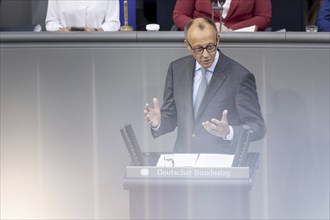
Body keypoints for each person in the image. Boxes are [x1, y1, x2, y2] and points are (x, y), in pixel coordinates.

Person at [144, 17, 266, 154]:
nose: (206, 55)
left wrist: (229, 132)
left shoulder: (240, 76)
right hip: (184, 162)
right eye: (198, 49)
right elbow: (172, 116)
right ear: (188, 45)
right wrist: (158, 123)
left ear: (217, 40)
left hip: (221, 165)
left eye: (210, 47)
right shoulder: (176, 69)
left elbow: (258, 127)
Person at [173, 0, 272, 31]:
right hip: (201, 36)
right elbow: (180, 15)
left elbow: (263, 17)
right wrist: (205, 27)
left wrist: (230, 29)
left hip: (240, 39)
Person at [45, 0, 120, 32]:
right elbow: (51, 22)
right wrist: (61, 31)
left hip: (98, 47)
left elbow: (113, 23)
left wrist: (96, 31)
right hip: (65, 47)